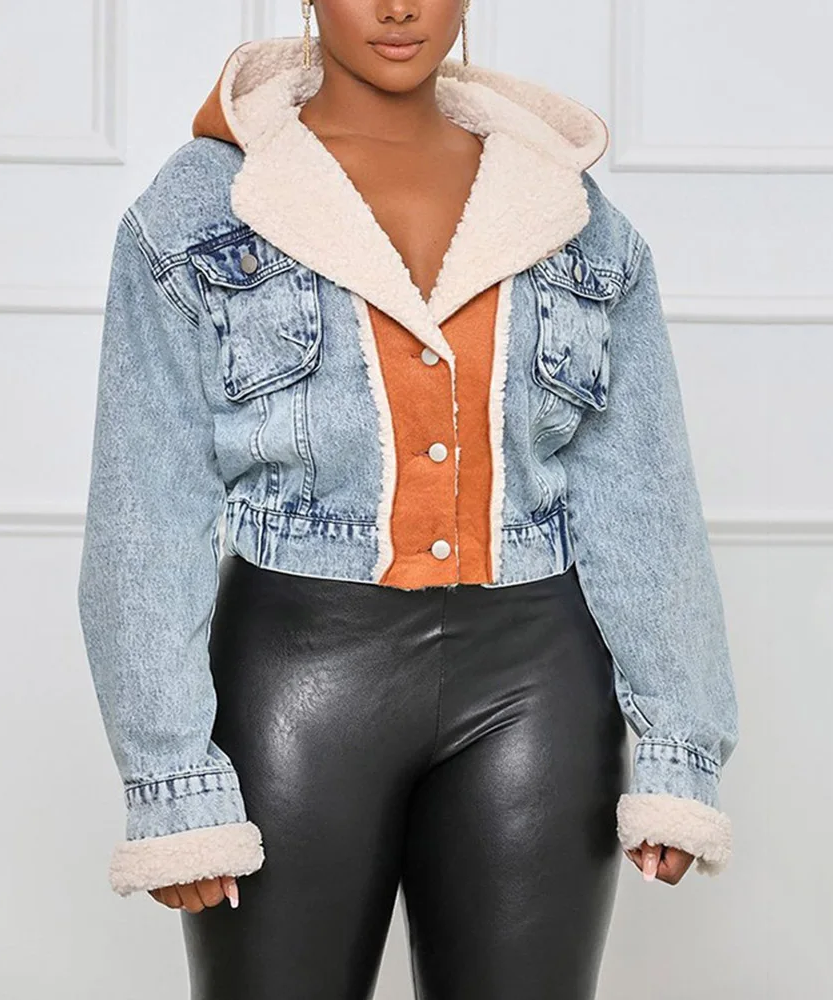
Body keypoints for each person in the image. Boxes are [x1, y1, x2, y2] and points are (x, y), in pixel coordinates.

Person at [76, 2, 740, 997]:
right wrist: (171, 777)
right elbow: (145, 509)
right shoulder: (202, 210)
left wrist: (680, 745)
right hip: (297, 681)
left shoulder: (568, 210)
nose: (399, 7)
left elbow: (640, 491)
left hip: (538, 689)